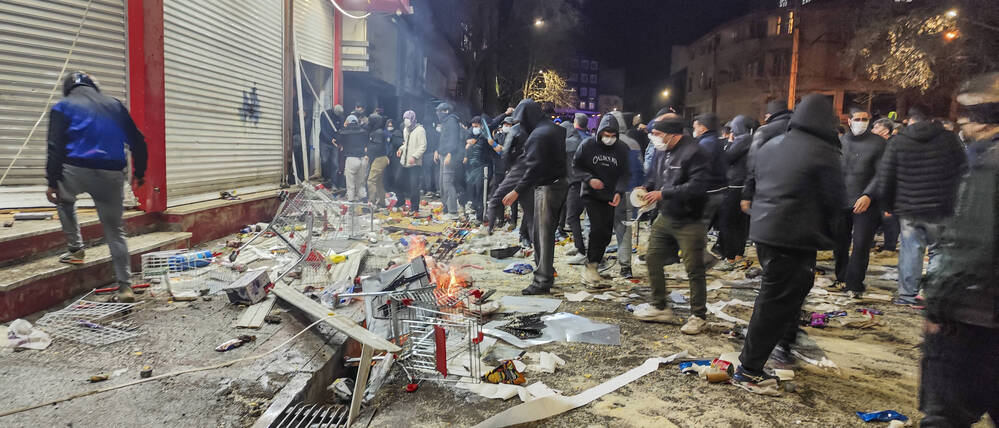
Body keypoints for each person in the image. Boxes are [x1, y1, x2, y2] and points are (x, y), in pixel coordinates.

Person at [732, 94, 845, 395]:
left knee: (777, 298)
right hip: (795, 237)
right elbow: (836, 200)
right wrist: (833, 237)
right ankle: (750, 369)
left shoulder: (772, 144)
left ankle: (772, 351)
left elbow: (755, 179)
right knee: (776, 302)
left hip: (765, 231)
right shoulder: (824, 152)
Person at [918, 72, 999, 427]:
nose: (962, 126)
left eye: (965, 117)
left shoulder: (990, 166)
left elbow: (973, 245)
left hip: (973, 317)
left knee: (945, 415)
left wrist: (936, 303)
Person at [46, 71, 147, 303]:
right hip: (110, 174)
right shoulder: (114, 105)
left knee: (64, 199)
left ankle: (75, 250)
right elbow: (138, 141)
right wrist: (139, 173)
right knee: (115, 231)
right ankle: (125, 286)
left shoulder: (62, 107)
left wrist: (52, 183)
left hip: (75, 170)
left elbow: (55, 146)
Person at [875, 105, 966, 306]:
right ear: (931, 119)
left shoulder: (899, 141)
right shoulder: (949, 139)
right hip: (941, 207)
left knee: (910, 251)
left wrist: (887, 205)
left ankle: (908, 296)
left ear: (909, 120)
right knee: (938, 252)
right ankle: (931, 295)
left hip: (909, 207)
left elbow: (886, 176)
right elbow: (963, 171)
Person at [631, 114, 711, 335]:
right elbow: (653, 177)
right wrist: (646, 189)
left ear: (673, 134)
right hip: (665, 216)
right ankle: (659, 306)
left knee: (693, 267)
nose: (653, 138)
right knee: (653, 257)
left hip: (690, 219)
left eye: (657, 134)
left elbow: (697, 187)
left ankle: (698, 315)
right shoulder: (660, 150)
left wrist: (663, 194)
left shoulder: (696, 153)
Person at [502, 100, 567, 295]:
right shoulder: (555, 129)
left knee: (542, 236)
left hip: (546, 187)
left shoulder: (537, 136)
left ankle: (541, 281)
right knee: (546, 233)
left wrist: (516, 191)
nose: (521, 126)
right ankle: (547, 272)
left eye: (522, 121)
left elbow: (532, 169)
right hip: (560, 183)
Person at [830, 107, 886, 298]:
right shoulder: (841, 142)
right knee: (839, 242)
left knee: (861, 243)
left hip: (866, 202)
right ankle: (841, 277)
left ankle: (854, 283)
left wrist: (868, 195)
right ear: (849, 120)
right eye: (857, 119)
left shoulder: (878, 144)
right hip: (841, 200)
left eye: (864, 119)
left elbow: (882, 174)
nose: (861, 122)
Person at [573, 115, 628, 288]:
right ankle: (590, 267)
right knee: (596, 229)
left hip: (610, 196)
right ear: (599, 132)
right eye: (606, 134)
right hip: (591, 194)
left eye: (613, 135)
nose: (609, 138)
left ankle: (595, 265)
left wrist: (619, 191)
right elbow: (576, 167)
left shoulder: (622, 149)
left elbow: (625, 173)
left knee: (606, 232)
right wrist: (589, 179)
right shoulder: (587, 145)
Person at [488, 101, 534, 246]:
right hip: (527, 170)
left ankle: (490, 228)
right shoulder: (532, 129)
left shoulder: (519, 130)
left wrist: (509, 168)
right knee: (528, 207)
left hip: (521, 170)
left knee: (498, 198)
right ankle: (524, 234)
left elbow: (506, 153)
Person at [715, 115, 754, 271]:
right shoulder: (751, 139)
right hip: (744, 186)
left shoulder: (743, 140)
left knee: (728, 222)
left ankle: (730, 257)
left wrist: (729, 142)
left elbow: (726, 158)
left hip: (734, 186)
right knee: (741, 223)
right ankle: (738, 254)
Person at [741, 100, 793, 213]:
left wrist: (747, 194)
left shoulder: (764, 131)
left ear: (769, 115)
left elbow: (753, 164)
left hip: (767, 189)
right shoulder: (797, 129)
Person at [692, 113, 728, 234]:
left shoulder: (706, 143)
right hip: (716, 190)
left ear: (703, 128)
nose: (694, 130)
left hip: (709, 192)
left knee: (698, 229)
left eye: (695, 127)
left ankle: (697, 252)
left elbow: (701, 168)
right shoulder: (714, 140)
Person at [561, 119, 588, 263]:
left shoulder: (568, 144)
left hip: (576, 183)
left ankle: (581, 251)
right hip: (584, 182)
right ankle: (579, 246)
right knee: (576, 216)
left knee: (572, 217)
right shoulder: (581, 140)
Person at [871, 118, 899, 252]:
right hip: (877, 186)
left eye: (876, 127)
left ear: (886, 130)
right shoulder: (878, 144)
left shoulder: (893, 145)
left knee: (889, 218)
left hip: (889, 188)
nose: (872, 130)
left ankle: (890, 247)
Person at [434, 103, 464, 217]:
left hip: (450, 156)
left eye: (439, 111)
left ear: (446, 111)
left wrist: (449, 154)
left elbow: (453, 140)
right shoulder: (445, 122)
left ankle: (453, 211)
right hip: (443, 155)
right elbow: (443, 140)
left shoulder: (452, 121)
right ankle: (446, 209)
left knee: (448, 183)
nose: (437, 113)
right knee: (442, 183)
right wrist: (438, 150)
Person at [397, 110, 427, 213]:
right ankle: (401, 202)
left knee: (414, 186)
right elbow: (406, 144)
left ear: (413, 119)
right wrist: (401, 149)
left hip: (414, 163)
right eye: (405, 118)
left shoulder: (420, 130)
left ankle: (414, 208)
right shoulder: (405, 129)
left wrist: (414, 157)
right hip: (404, 161)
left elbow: (423, 146)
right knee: (398, 181)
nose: (406, 121)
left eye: (408, 118)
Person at [463, 116, 491, 222]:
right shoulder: (470, 134)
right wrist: (467, 147)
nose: (474, 127)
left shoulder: (485, 137)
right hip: (472, 168)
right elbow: (465, 141)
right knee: (472, 191)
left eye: (476, 125)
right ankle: (474, 212)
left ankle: (481, 216)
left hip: (483, 167)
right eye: (473, 125)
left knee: (481, 193)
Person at [339, 115, 369, 202]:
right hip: (363, 159)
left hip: (351, 159)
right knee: (361, 184)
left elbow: (338, 138)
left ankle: (351, 206)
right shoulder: (363, 131)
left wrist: (344, 127)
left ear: (347, 122)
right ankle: (365, 205)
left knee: (350, 184)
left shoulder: (344, 132)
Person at [365, 113, 390, 207]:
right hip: (380, 158)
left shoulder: (378, 132)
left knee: (371, 181)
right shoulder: (377, 131)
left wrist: (368, 150)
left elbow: (377, 146)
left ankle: (371, 202)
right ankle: (381, 202)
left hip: (379, 158)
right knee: (378, 182)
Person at [318, 105, 342, 189]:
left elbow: (340, 130)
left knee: (335, 164)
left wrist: (338, 140)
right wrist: (330, 139)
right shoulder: (324, 114)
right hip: (324, 141)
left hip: (334, 143)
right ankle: (326, 178)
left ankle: (334, 183)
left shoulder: (339, 117)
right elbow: (323, 130)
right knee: (324, 160)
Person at [384, 118, 404, 195]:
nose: (390, 126)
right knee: (387, 173)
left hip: (394, 156)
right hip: (387, 155)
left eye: (391, 125)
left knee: (395, 173)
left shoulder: (397, 133)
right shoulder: (384, 133)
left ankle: (395, 189)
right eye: (389, 125)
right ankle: (388, 188)